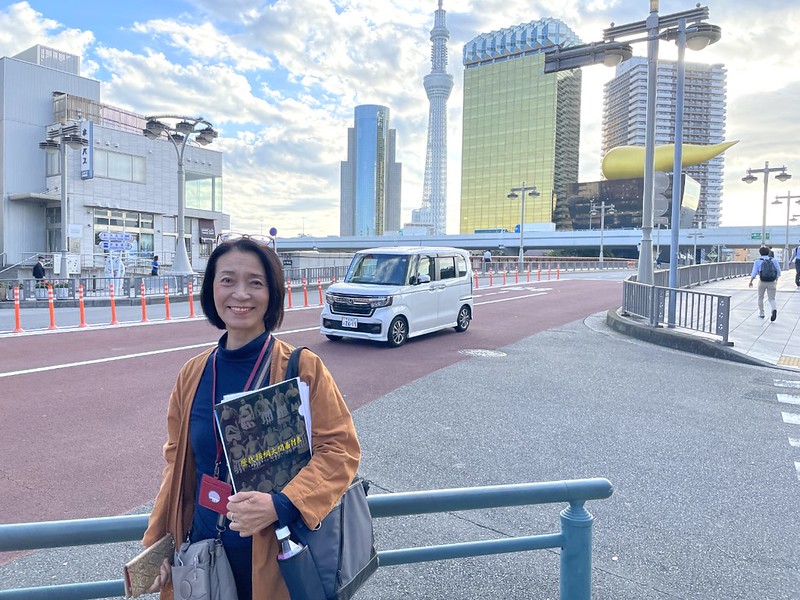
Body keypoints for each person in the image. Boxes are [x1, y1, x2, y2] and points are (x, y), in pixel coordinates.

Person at [143, 237, 361, 600]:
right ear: (212, 289)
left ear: (272, 293)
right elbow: (176, 466)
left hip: (277, 557)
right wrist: (158, 543)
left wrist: (282, 504)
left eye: (255, 282)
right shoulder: (193, 374)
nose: (240, 294)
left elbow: (341, 450)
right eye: (227, 280)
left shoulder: (301, 368)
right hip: (203, 555)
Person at [748, 245, 781, 321]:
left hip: (762, 281)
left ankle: (762, 313)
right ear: (768, 252)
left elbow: (754, 273)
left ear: (760, 253)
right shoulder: (774, 260)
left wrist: (751, 281)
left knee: (760, 298)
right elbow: (778, 271)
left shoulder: (757, 261)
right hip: (772, 282)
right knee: (772, 299)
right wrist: (776, 280)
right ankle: (774, 309)